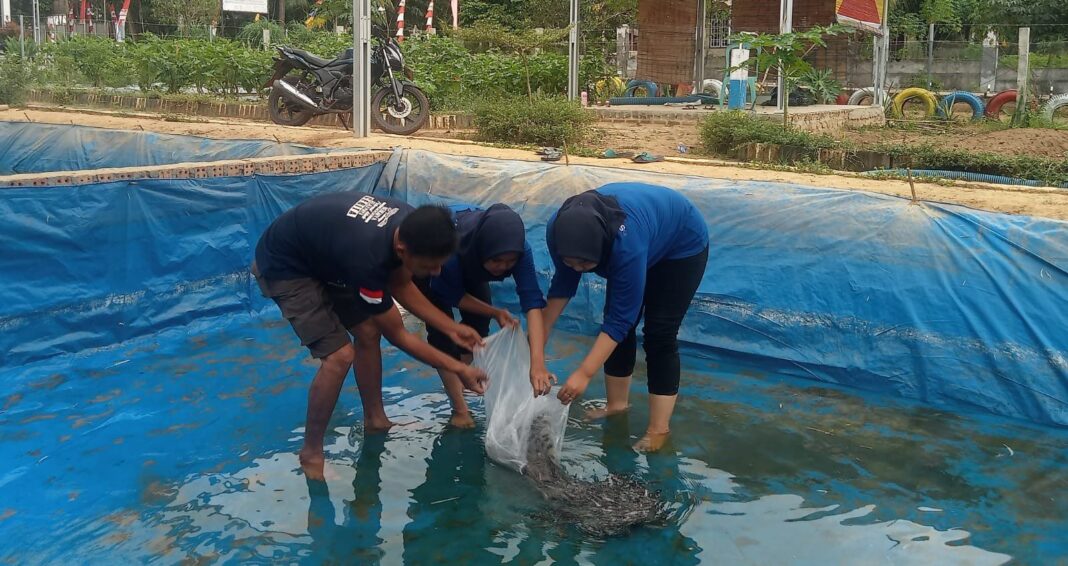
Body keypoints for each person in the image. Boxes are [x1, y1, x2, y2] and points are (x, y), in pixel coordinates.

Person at [253, 191, 489, 479]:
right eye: (429, 266)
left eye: (440, 264)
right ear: (402, 249)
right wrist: (458, 367)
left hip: (329, 256)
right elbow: (399, 335)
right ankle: (311, 454)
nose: (437, 272)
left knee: (367, 330)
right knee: (339, 356)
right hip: (287, 266)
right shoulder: (368, 259)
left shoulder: (411, 227)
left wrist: (450, 327)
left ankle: (376, 420)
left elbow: (401, 284)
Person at [541, 182, 709, 452]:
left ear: (602, 247)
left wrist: (584, 373)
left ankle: (658, 428)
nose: (578, 270)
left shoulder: (624, 244)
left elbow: (620, 319)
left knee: (659, 334)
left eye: (585, 264)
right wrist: (537, 338)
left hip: (680, 245)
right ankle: (617, 405)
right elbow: (563, 283)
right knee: (617, 322)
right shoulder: (559, 229)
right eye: (571, 262)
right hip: (646, 233)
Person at [417, 203, 553, 428]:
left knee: (477, 328)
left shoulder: (521, 251)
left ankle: (463, 381)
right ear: (484, 250)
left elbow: (533, 304)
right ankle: (459, 409)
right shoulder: (452, 252)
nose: (503, 267)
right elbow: (451, 295)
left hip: (473, 265)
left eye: (509, 262)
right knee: (443, 335)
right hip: (436, 273)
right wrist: (495, 312)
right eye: (497, 261)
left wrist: (537, 363)